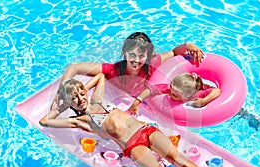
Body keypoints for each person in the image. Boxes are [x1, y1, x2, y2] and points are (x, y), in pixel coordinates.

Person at [40, 73, 228, 167]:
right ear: (70, 103)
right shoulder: (81, 121)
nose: (81, 98)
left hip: (145, 129)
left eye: (82, 94)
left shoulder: (96, 99)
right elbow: (46, 121)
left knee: (179, 160)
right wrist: (64, 103)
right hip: (132, 145)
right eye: (76, 98)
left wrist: (81, 89)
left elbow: (100, 77)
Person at [51, 32, 205, 110]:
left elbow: (173, 52)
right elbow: (74, 67)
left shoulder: (152, 63)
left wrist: (188, 45)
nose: (136, 61)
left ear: (148, 55)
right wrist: (62, 92)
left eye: (141, 56)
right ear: (125, 53)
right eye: (132, 55)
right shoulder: (114, 70)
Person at [128, 72, 221, 114]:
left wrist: (204, 100)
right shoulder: (171, 89)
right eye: (171, 91)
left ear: (187, 95)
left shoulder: (196, 95)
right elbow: (149, 90)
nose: (170, 94)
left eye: (175, 95)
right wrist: (137, 102)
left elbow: (217, 90)